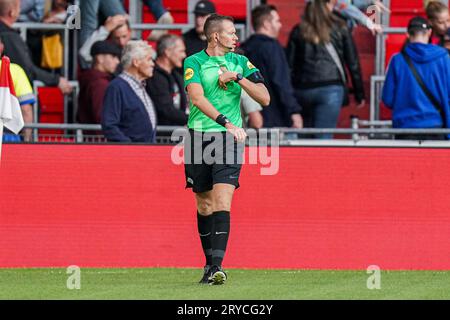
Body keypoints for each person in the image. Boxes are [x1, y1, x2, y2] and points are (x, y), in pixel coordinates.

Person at [183, 14, 270, 285]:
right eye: (231, 33)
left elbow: (264, 97)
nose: (236, 37)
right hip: (199, 137)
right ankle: (209, 265)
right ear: (215, 36)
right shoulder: (193, 62)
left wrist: (239, 78)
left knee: (222, 200)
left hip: (228, 139)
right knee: (204, 202)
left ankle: (218, 266)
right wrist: (226, 121)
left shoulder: (241, 61)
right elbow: (196, 98)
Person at [286, 0, 365, 139]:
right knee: (323, 140)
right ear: (327, 6)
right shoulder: (341, 27)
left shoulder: (298, 30)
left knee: (302, 140)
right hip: (331, 88)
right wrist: (359, 93)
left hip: (302, 88)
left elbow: (288, 65)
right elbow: (353, 63)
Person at [382, 16, 450, 140]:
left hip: (405, 126)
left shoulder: (397, 60)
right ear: (429, 33)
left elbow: (388, 99)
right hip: (436, 124)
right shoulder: (443, 57)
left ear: (407, 34)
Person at [241, 4, 302, 129]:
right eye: (277, 21)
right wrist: (293, 111)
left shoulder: (243, 49)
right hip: (274, 117)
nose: (280, 25)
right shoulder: (272, 48)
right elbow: (281, 82)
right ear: (266, 24)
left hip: (250, 116)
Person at [0, 0, 72, 94]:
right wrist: (56, 80)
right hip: (12, 98)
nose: (20, 11)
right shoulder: (9, 36)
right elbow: (28, 69)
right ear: (12, 12)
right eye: (19, 7)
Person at [101, 40, 157, 142]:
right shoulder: (116, 87)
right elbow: (109, 125)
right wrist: (129, 147)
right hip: (130, 155)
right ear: (136, 62)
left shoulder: (141, 87)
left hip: (145, 154)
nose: (152, 64)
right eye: (149, 60)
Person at [146, 34, 188, 125]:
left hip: (174, 133)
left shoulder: (175, 75)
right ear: (168, 52)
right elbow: (165, 109)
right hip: (162, 134)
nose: (184, 55)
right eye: (181, 51)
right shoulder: (154, 77)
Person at [77, 41, 121, 125]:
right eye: (113, 57)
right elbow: (102, 117)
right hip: (101, 136)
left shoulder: (94, 79)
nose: (117, 61)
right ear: (100, 58)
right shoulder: (99, 84)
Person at [0, 38, 35, 142]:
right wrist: (27, 139)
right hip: (8, 138)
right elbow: (26, 110)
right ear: (1, 47)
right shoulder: (15, 70)